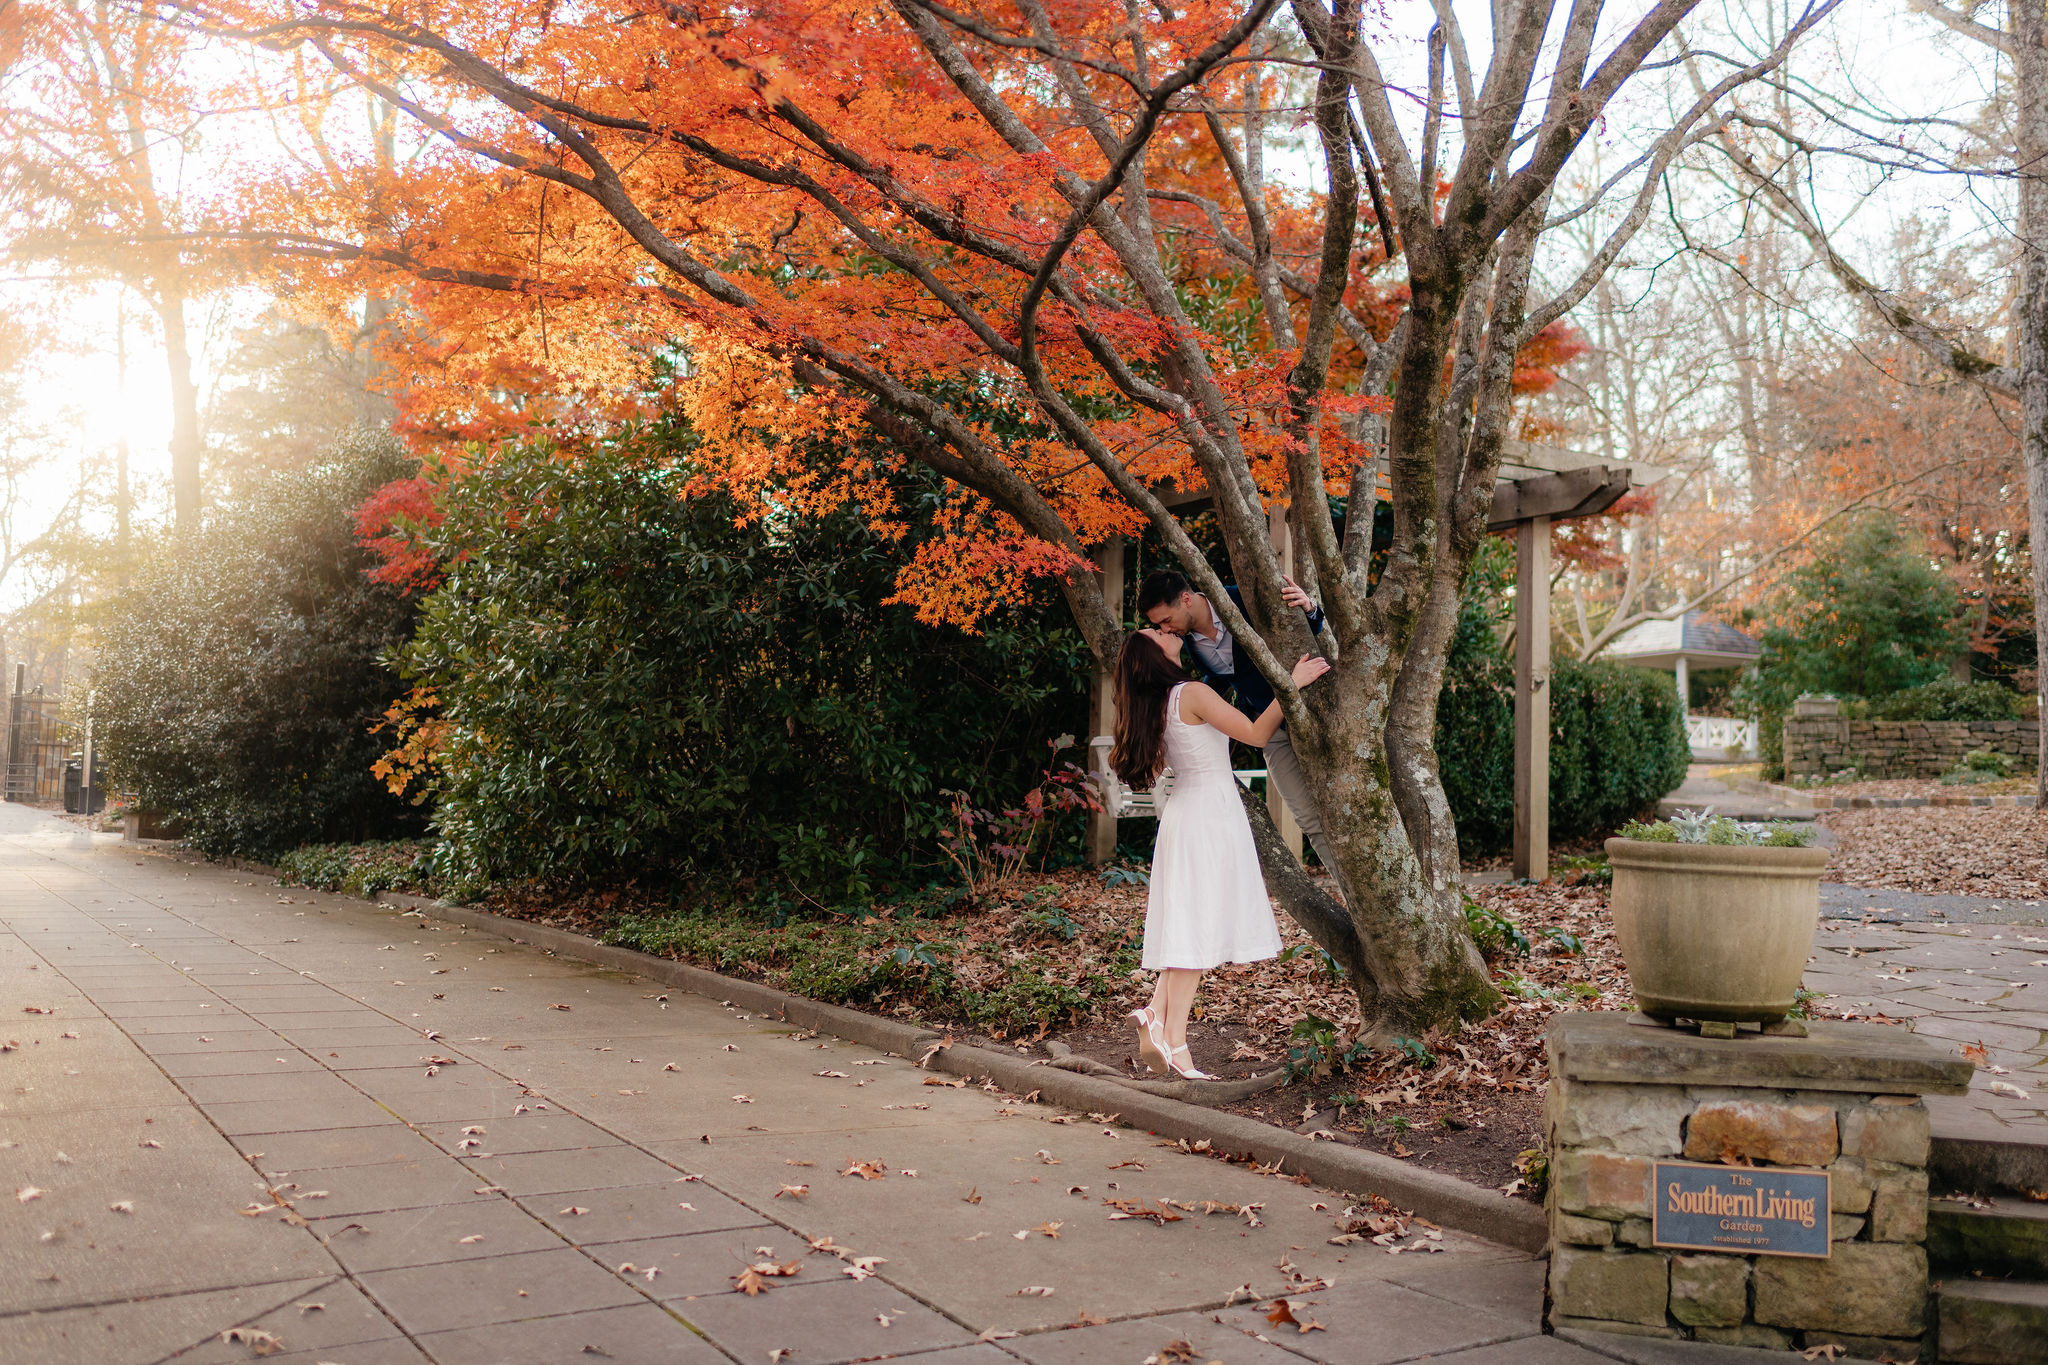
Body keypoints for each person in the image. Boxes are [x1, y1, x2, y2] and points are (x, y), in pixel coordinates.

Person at [1108, 627, 1330, 1079]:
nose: (1166, 631)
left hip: (1186, 815)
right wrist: (1292, 683)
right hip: (1207, 816)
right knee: (1194, 929)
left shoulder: (1153, 702)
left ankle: (1154, 1012)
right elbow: (1253, 733)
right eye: (1156, 632)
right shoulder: (1189, 692)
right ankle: (1175, 1040)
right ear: (1154, 655)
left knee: (1188, 921)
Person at [1135, 569, 1339, 875]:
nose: (1165, 629)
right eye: (1158, 626)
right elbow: (1219, 679)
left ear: (1186, 599)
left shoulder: (1242, 598)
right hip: (1269, 730)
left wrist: (1310, 608)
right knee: (1308, 820)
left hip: (1315, 715)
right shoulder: (1185, 642)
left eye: (1166, 620)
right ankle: (1352, 897)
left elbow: (1303, 627)